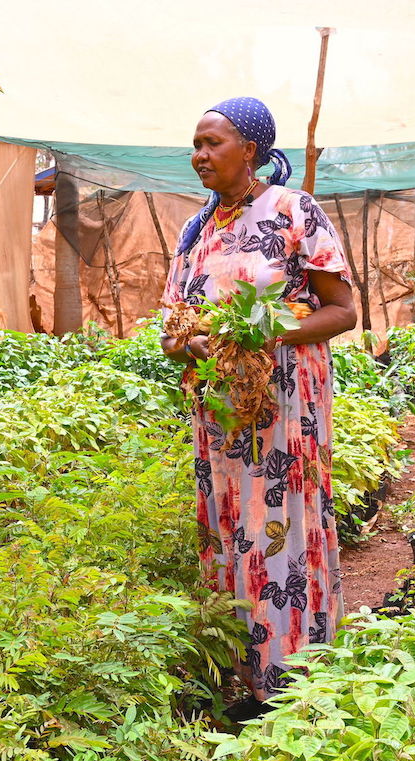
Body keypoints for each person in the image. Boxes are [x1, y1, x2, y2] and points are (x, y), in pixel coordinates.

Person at [160, 96, 357, 719]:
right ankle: (238, 671)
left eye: (212, 143)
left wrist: (265, 333)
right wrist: (187, 342)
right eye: (195, 145)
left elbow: (343, 311)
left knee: (278, 531)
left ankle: (292, 676)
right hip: (218, 412)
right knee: (228, 529)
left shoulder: (293, 211)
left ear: (250, 150)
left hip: (283, 407)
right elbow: (171, 328)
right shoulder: (197, 230)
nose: (200, 156)